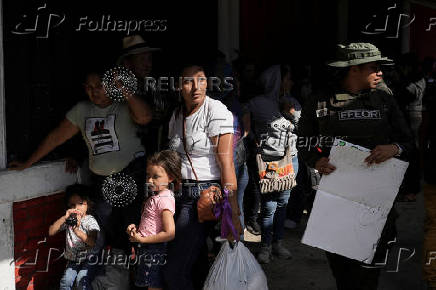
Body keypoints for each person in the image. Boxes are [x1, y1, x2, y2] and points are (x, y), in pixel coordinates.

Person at [298, 43, 414, 290]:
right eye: (374, 68)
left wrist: (394, 148)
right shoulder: (320, 101)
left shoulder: (385, 99)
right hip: (336, 199)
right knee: (343, 272)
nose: (380, 73)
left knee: (369, 271)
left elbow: (408, 141)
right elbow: (303, 140)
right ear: (354, 70)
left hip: (376, 201)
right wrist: (315, 159)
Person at [10, 66, 152, 253]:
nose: (94, 91)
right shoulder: (82, 110)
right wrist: (28, 162)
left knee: (134, 226)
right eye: (89, 87)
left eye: (99, 86)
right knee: (108, 228)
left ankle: (138, 275)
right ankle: (119, 273)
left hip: (130, 176)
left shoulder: (123, 105)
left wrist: (123, 89)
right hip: (102, 182)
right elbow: (56, 137)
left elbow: (146, 117)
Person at [163, 65, 242, 290]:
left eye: (201, 80)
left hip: (203, 195)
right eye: (188, 81)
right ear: (179, 86)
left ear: (208, 82)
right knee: (195, 265)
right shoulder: (177, 115)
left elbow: (226, 163)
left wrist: (233, 212)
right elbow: (173, 155)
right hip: (178, 195)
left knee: (174, 271)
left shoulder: (216, 111)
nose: (196, 87)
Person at [244, 64, 299, 264]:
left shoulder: (292, 102)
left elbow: (301, 128)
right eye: (287, 78)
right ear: (277, 80)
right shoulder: (256, 103)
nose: (291, 82)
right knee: (268, 205)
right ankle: (265, 246)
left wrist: (289, 113)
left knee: (283, 203)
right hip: (268, 161)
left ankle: (278, 243)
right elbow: (245, 128)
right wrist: (254, 139)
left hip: (291, 158)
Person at [126, 150, 179, 290]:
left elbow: (170, 233)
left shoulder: (164, 200)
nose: (149, 180)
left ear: (171, 177)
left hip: (154, 250)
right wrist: (136, 229)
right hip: (147, 248)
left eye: (156, 176)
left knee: (153, 284)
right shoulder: (156, 196)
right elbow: (151, 223)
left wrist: (142, 240)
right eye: (148, 175)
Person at [118, 34, 174, 155]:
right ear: (128, 63)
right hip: (127, 156)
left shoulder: (155, 86)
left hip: (155, 154)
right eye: (141, 60)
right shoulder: (117, 90)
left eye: (149, 59)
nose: (147, 64)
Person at [49, 184, 101, 290]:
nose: (76, 208)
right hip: (73, 260)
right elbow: (51, 231)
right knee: (66, 281)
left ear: (88, 205)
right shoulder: (69, 220)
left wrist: (77, 231)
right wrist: (65, 217)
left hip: (89, 259)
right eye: (72, 205)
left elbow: (92, 242)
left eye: (80, 204)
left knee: (82, 280)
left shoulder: (90, 220)